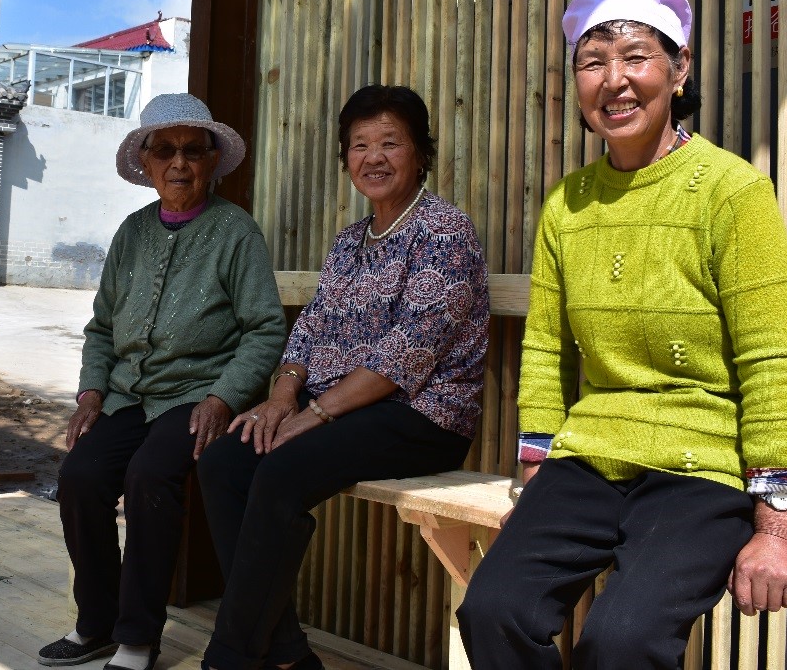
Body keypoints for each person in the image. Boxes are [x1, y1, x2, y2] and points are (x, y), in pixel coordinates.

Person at [455, 0, 787, 669]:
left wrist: (777, 529)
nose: (614, 80)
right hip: (587, 458)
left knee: (622, 641)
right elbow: (546, 350)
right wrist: (533, 483)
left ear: (678, 71)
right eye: (593, 62)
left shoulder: (732, 190)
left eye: (636, 57)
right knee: (492, 609)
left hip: (702, 467)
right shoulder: (567, 205)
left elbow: (769, 358)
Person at [198, 84, 490, 670]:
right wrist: (282, 398)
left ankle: (229, 658)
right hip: (342, 409)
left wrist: (312, 414)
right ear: (345, 158)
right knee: (225, 461)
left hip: (420, 416)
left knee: (281, 469)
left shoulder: (445, 233)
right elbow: (310, 329)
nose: (373, 157)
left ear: (420, 154)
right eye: (359, 144)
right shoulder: (350, 241)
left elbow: (406, 356)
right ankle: (287, 654)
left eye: (390, 142)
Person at [38, 94, 286, 670]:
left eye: (193, 151)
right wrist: (92, 392)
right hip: (128, 393)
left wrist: (223, 397)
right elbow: (102, 327)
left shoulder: (235, 231)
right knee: (80, 476)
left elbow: (264, 328)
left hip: (196, 393)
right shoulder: (131, 233)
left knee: (151, 476)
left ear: (212, 161)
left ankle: (137, 637)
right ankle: (96, 623)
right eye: (166, 151)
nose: (180, 163)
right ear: (146, 163)